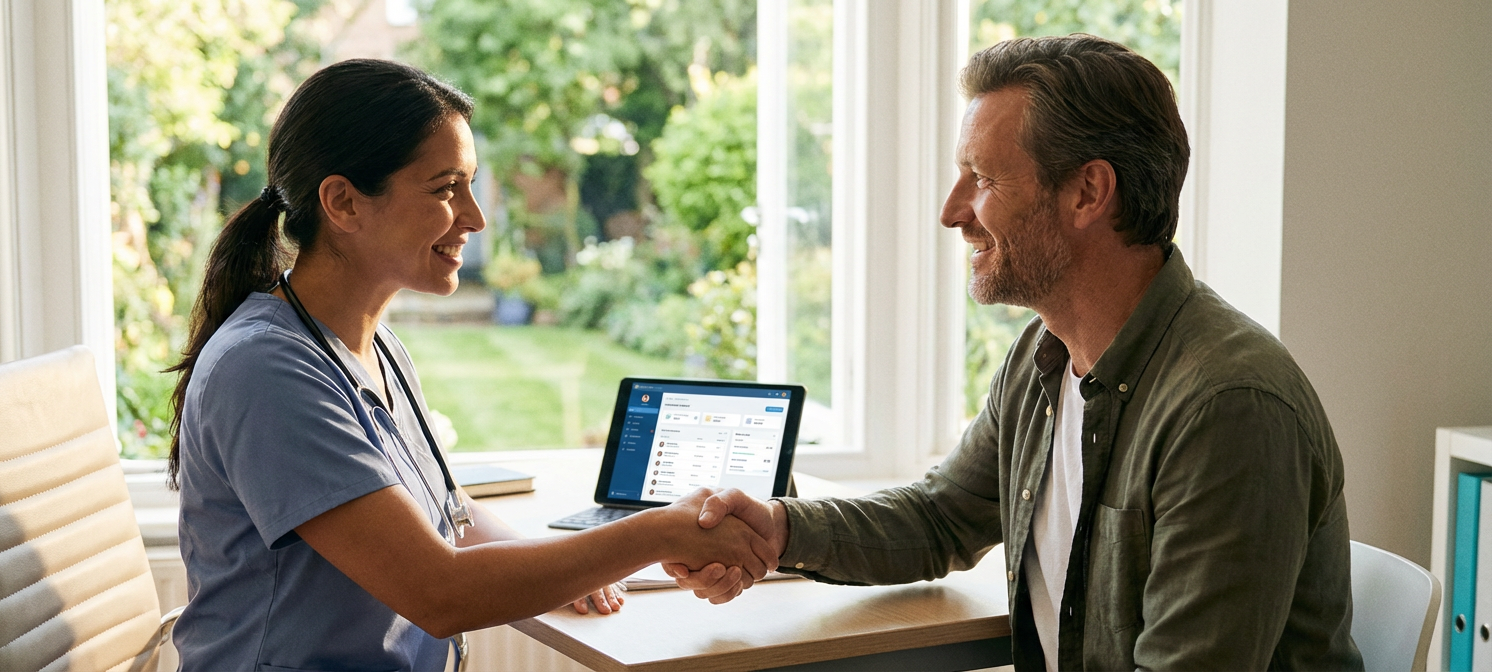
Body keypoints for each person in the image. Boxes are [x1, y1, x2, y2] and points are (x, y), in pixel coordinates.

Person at [667, 35, 1364, 670]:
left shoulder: (1228, 408)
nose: (952, 211)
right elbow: (940, 516)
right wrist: (781, 527)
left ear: (1088, 192)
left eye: (984, 178)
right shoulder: (1046, 354)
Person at [167, 59, 772, 671]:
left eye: (471, 185)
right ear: (344, 203)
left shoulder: (374, 348)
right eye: (444, 189)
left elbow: (448, 513)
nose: (475, 218)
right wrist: (656, 534)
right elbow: (439, 591)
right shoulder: (266, 371)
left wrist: (590, 563)